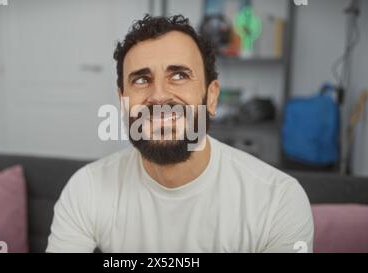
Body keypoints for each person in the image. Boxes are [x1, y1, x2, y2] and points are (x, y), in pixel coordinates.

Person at [46, 14, 313, 253]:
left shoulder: (279, 201)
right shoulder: (86, 189)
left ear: (211, 96)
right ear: (123, 99)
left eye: (179, 76)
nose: (159, 96)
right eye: (141, 80)